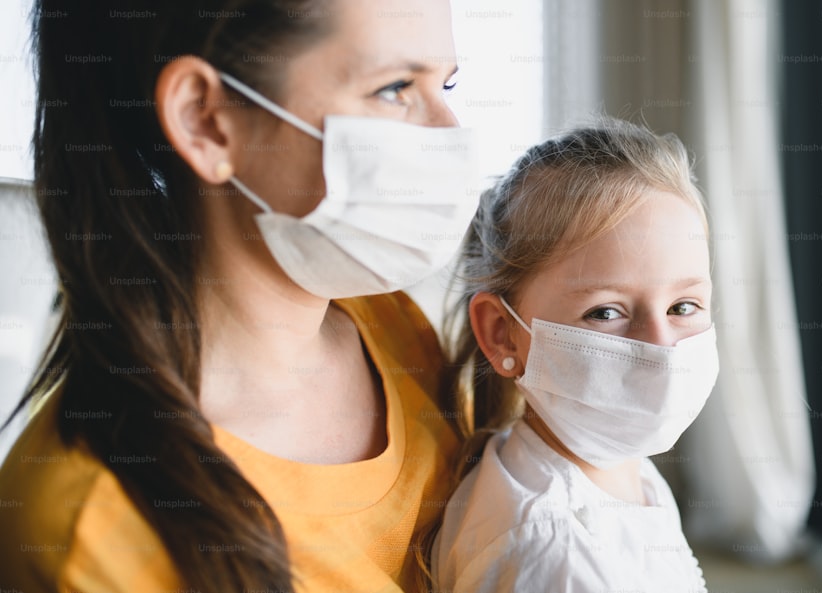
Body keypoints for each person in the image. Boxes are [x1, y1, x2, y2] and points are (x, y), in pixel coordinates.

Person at [0, 1, 480, 591]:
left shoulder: (388, 322)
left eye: (447, 83)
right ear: (206, 120)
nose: (450, 133)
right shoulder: (97, 531)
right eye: (396, 87)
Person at [432, 120, 718, 592]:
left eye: (682, 307)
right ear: (503, 333)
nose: (662, 346)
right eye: (605, 312)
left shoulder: (623, 467)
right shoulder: (553, 552)